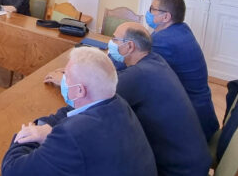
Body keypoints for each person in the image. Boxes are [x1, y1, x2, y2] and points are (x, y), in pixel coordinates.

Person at [46, 22, 211, 175]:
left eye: (114, 39)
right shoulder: (154, 61)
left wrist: (65, 81)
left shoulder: (139, 75)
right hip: (193, 159)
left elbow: (95, 97)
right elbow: (117, 71)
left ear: (130, 46)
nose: (111, 43)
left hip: (179, 170)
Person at [1, 47, 156, 176]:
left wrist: (28, 134)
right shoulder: (118, 103)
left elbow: (12, 170)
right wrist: (46, 126)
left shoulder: (71, 135)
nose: (63, 79)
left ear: (80, 90)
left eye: (66, 76)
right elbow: (73, 111)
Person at [147, 0, 219, 140]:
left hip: (191, 127)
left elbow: (138, 67)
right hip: (203, 116)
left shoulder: (163, 40)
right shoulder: (182, 29)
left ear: (166, 17)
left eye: (152, 9)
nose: (148, 12)